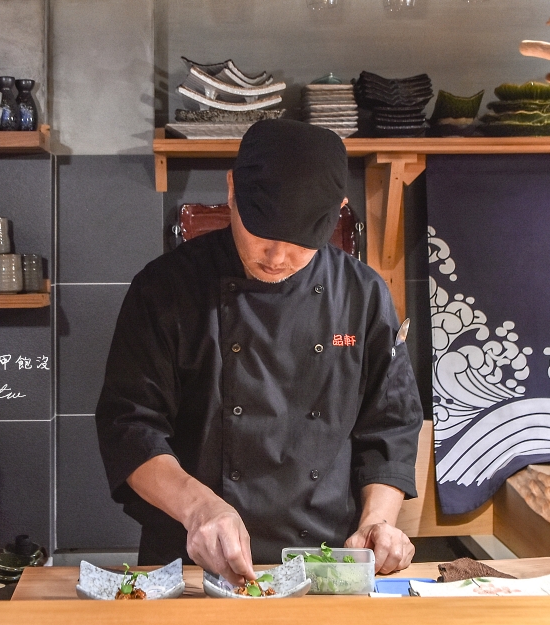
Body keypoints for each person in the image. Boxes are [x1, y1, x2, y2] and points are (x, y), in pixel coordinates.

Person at [95, 119, 423, 586]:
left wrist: (378, 522)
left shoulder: (363, 294)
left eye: (299, 244)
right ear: (231, 189)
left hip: (325, 563)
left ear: (338, 213)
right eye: (261, 232)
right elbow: (130, 426)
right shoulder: (164, 288)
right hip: (191, 561)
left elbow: (389, 425)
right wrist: (199, 506)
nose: (276, 256)